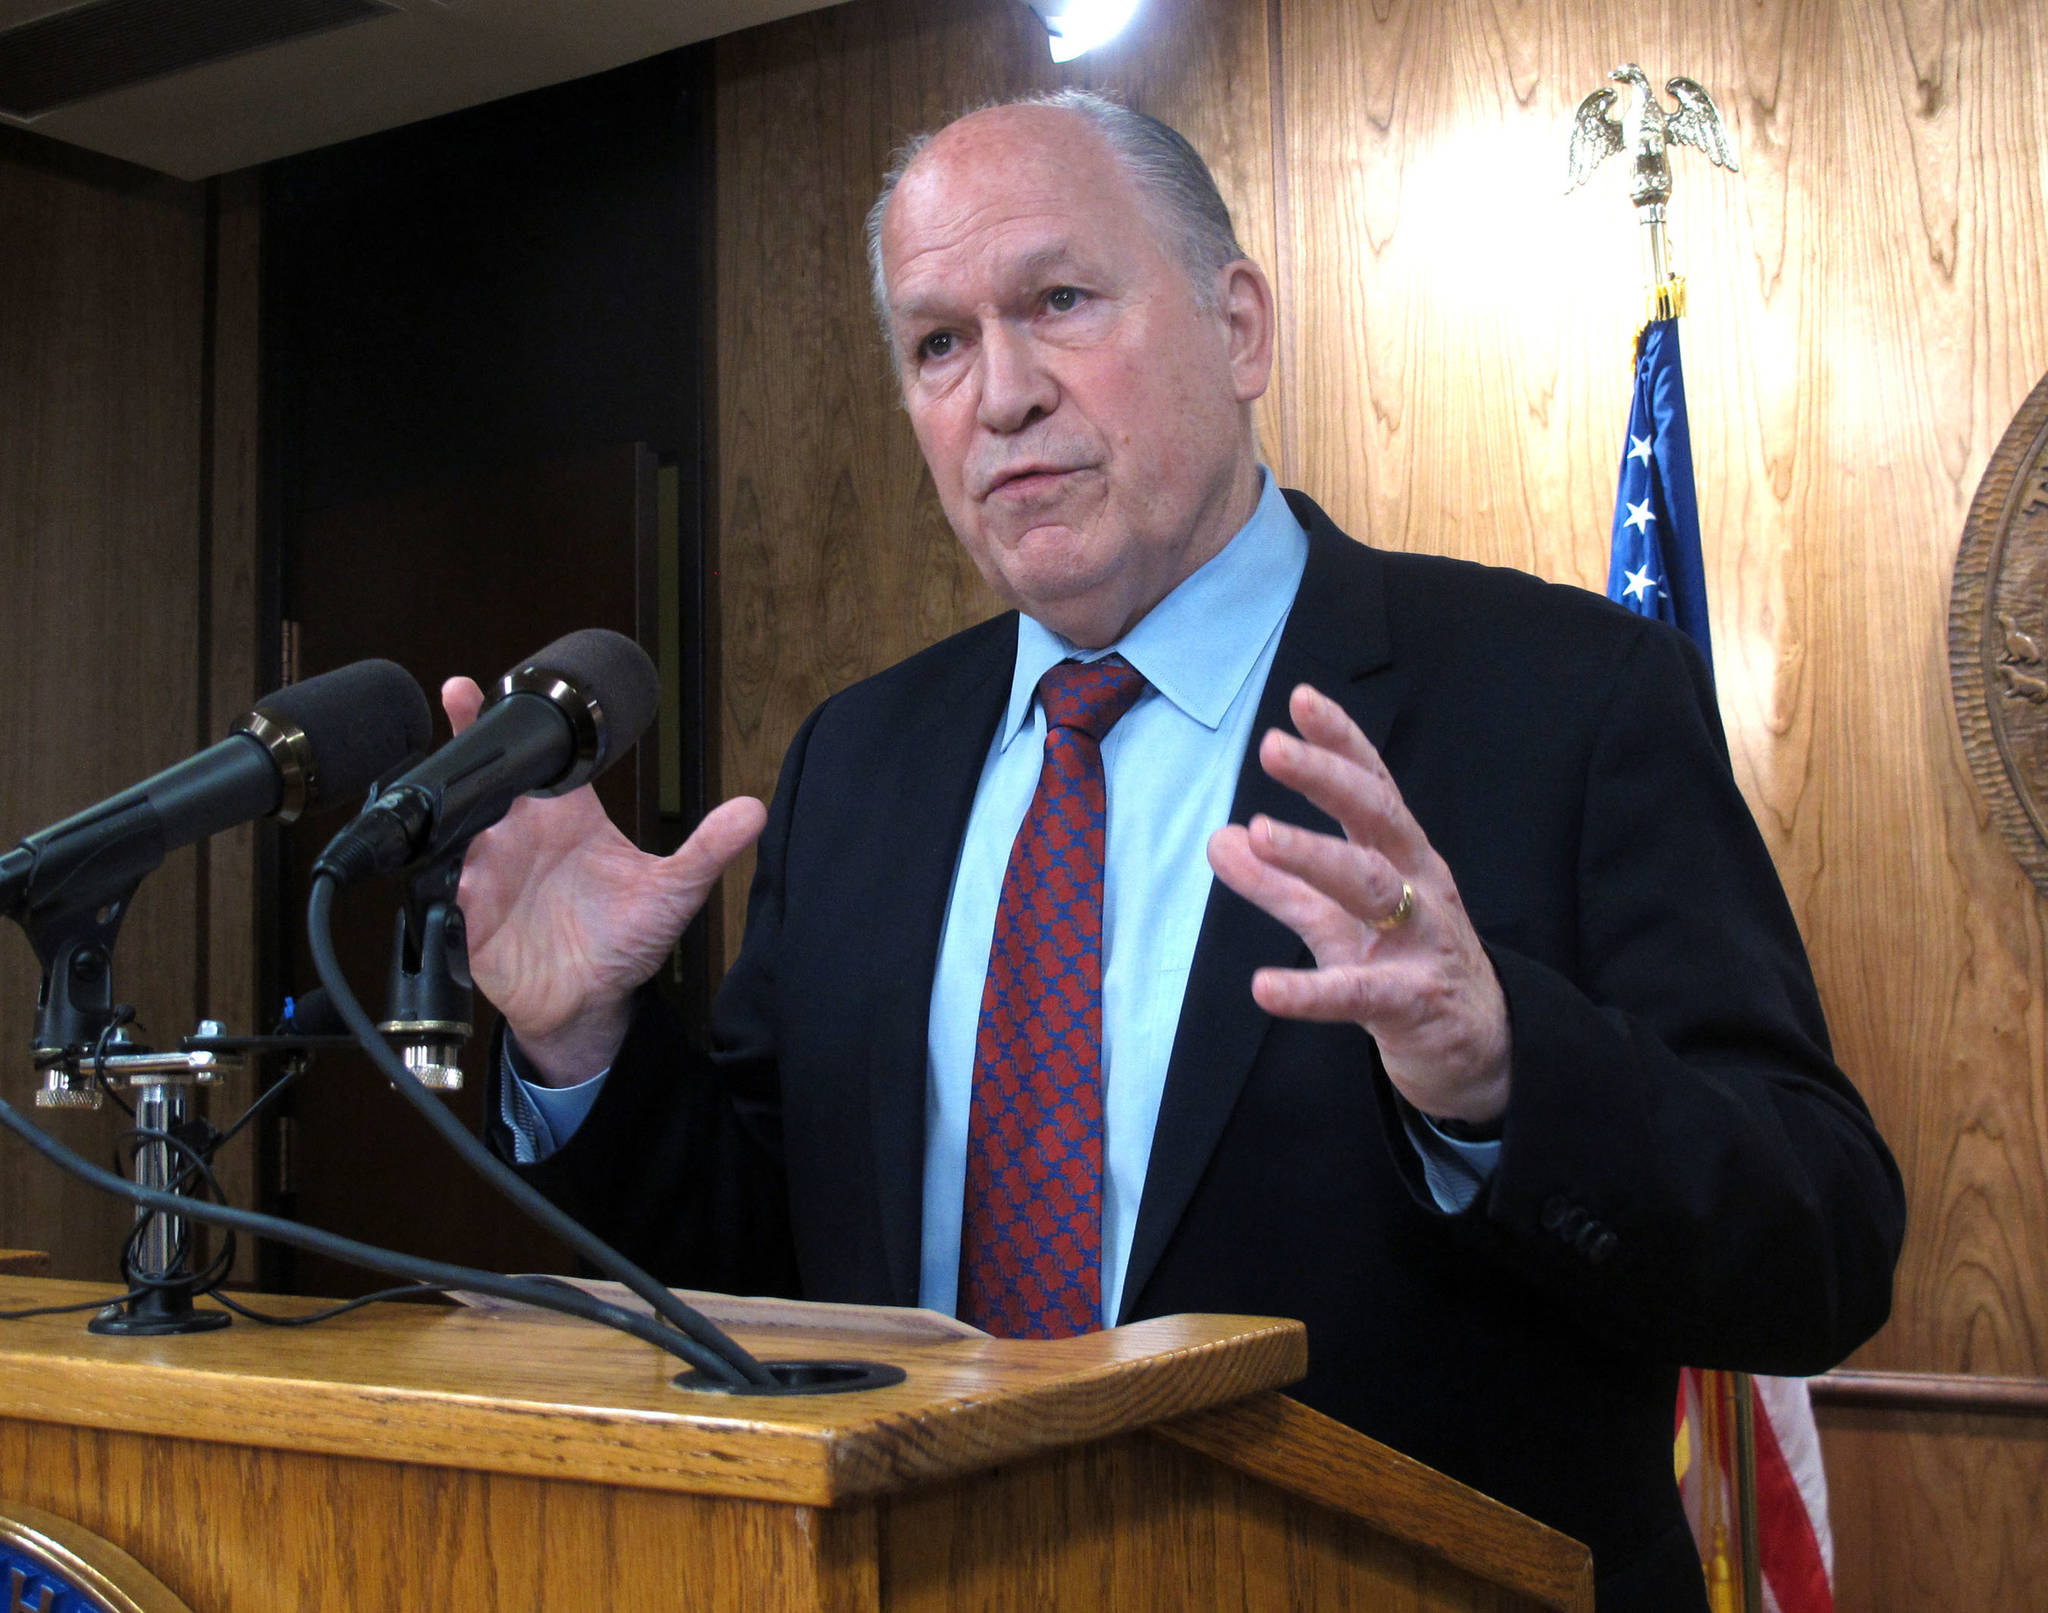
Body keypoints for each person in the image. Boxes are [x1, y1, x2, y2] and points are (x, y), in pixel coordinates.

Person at [449, 91, 1904, 1610]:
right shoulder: (861, 761)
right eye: (939, 345)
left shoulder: (1565, 697)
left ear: (1241, 328)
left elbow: (1823, 1245)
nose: (1000, 393)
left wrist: (1503, 1079)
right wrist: (584, 1048)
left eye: (1060, 301)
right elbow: (770, 1259)